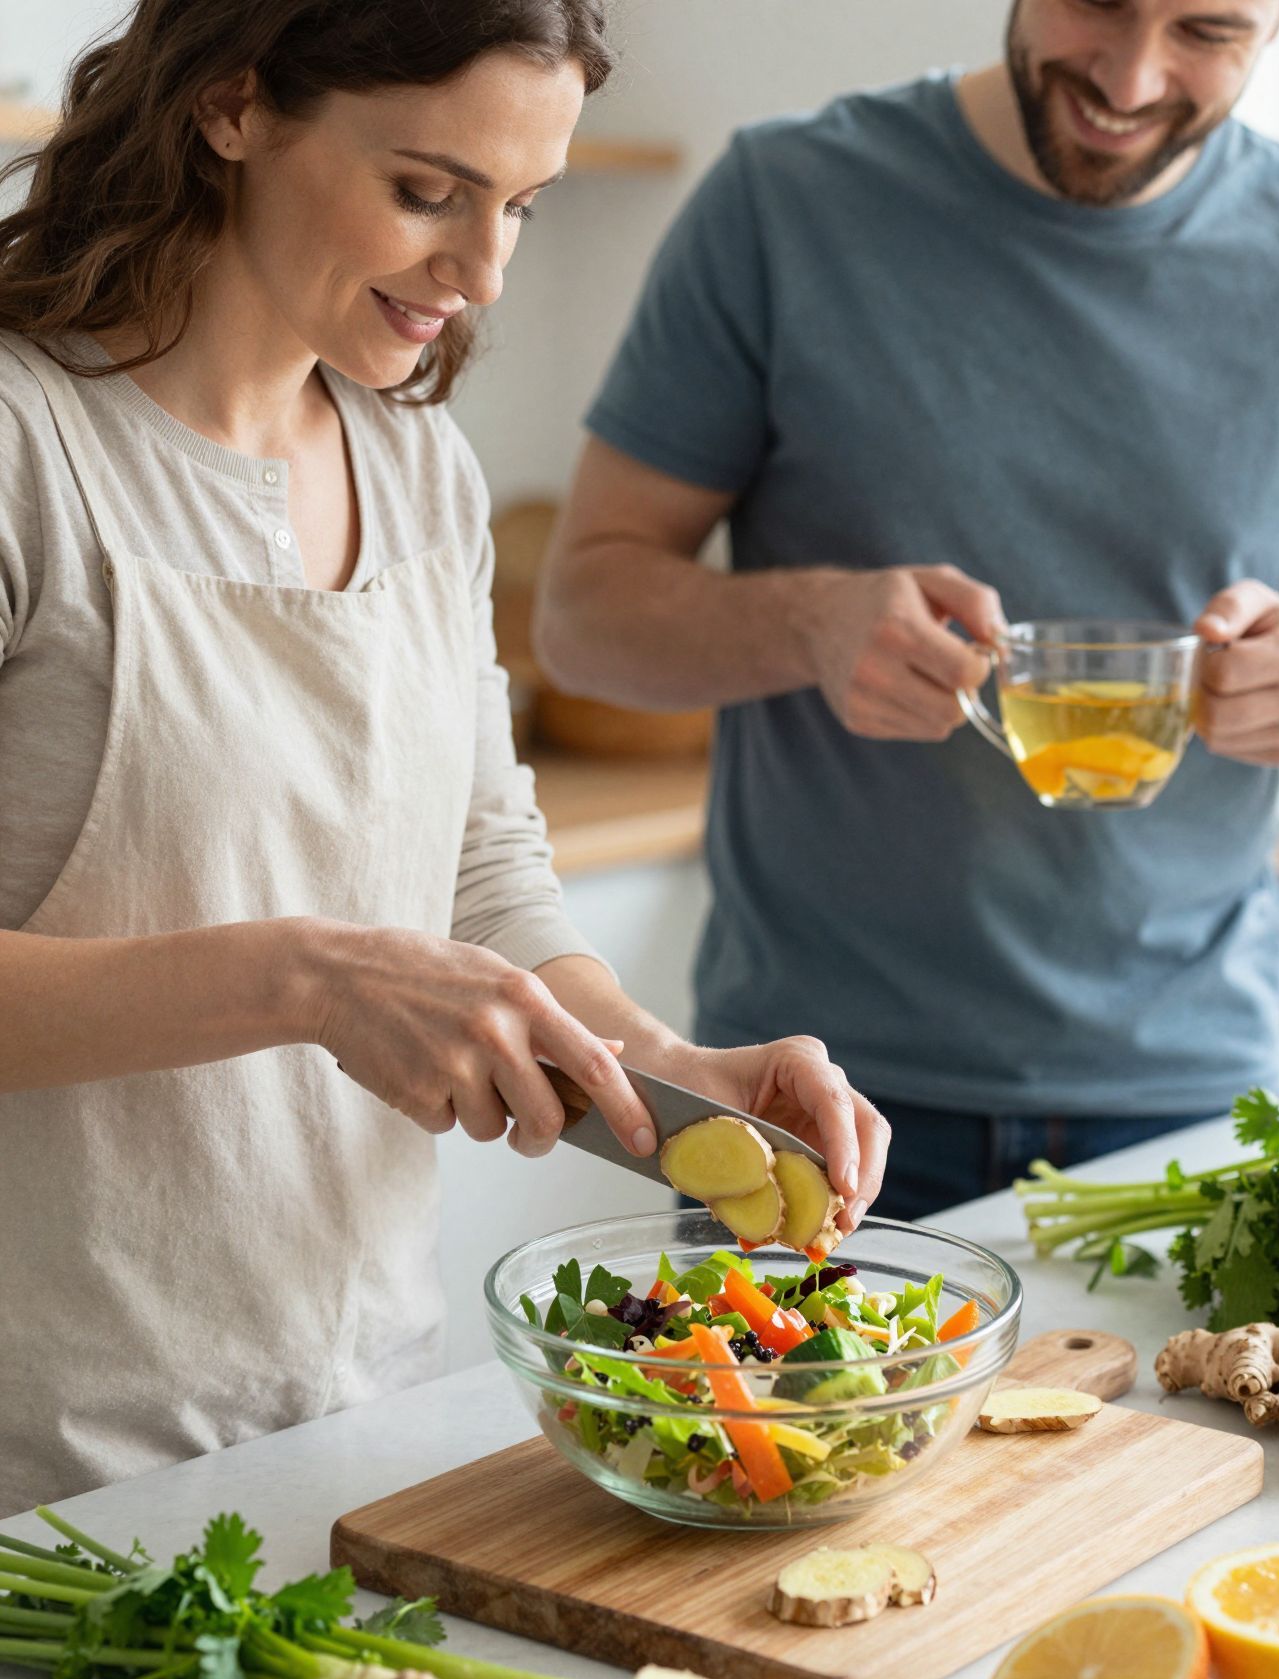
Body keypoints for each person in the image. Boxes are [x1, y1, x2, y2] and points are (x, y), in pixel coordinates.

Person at [0, 0, 888, 1517]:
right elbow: (328, 964)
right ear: (231, 106)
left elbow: (482, 870)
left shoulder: (417, 464)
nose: (482, 273)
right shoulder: (32, 451)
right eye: (429, 192)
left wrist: (672, 1079)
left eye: (522, 208)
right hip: (46, 1463)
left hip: (352, 1419)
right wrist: (302, 980)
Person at [534, 0, 1279, 1221]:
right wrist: (810, 623)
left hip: (1191, 1114)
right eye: (1099, 2)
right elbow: (582, 613)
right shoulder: (787, 202)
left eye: (1207, 30)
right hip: (810, 1092)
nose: (1133, 77)